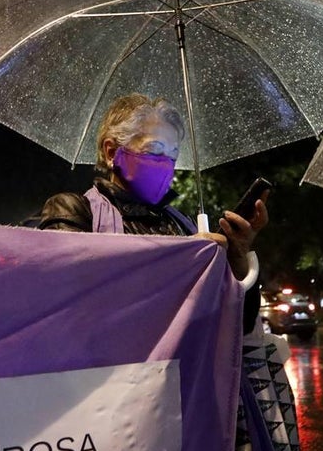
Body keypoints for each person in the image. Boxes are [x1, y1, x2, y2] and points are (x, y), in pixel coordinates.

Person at [35, 93, 268, 335]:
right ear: (111, 152)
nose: (165, 164)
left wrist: (237, 261)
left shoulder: (184, 225)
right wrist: (181, 261)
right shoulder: (74, 211)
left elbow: (241, 326)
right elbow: (66, 304)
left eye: (172, 155)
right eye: (154, 151)